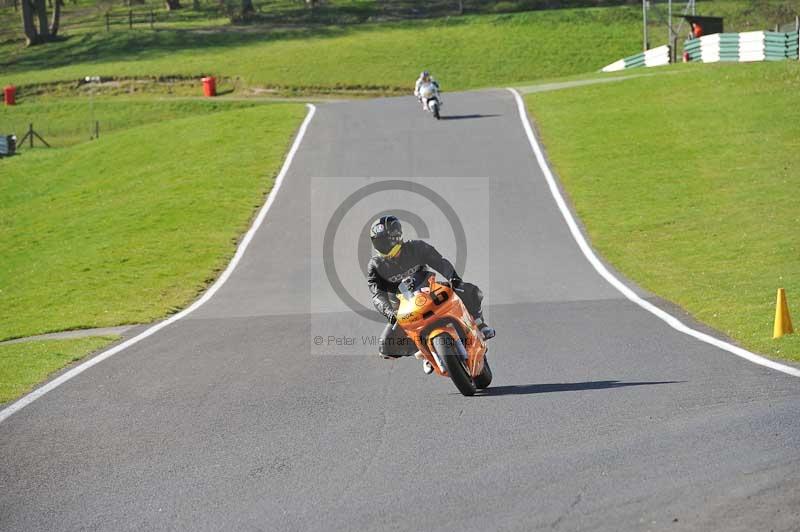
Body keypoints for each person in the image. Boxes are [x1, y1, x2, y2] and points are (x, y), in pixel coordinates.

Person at [366, 215, 495, 362]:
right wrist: (389, 313)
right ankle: (422, 349)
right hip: (404, 309)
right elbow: (377, 294)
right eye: (379, 242)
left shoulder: (417, 247)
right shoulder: (375, 265)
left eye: (385, 240)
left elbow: (439, 262)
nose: (383, 245)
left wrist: (453, 278)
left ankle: (479, 324)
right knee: (385, 346)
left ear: (396, 236)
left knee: (470, 291)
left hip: (430, 292)